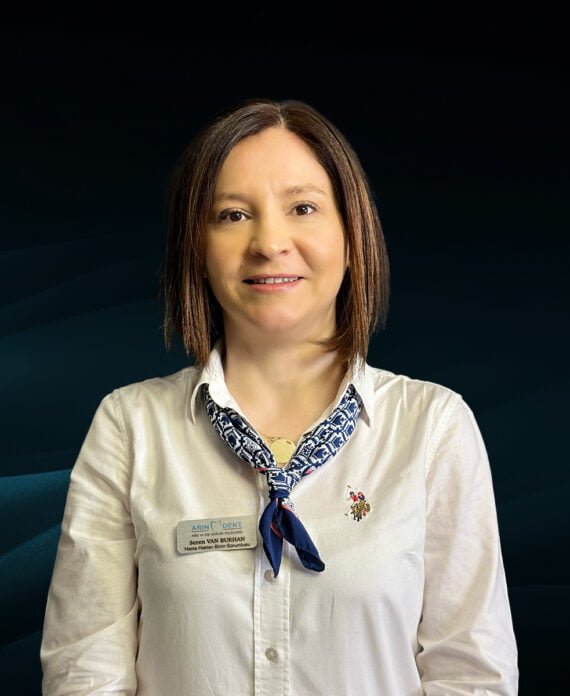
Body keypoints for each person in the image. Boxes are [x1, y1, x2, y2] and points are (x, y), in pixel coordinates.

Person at [40, 97, 519, 695]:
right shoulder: (130, 426)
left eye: (303, 208)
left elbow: (473, 676)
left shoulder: (433, 427)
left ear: (352, 235)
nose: (269, 242)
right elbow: (84, 674)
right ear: (197, 248)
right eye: (233, 214)